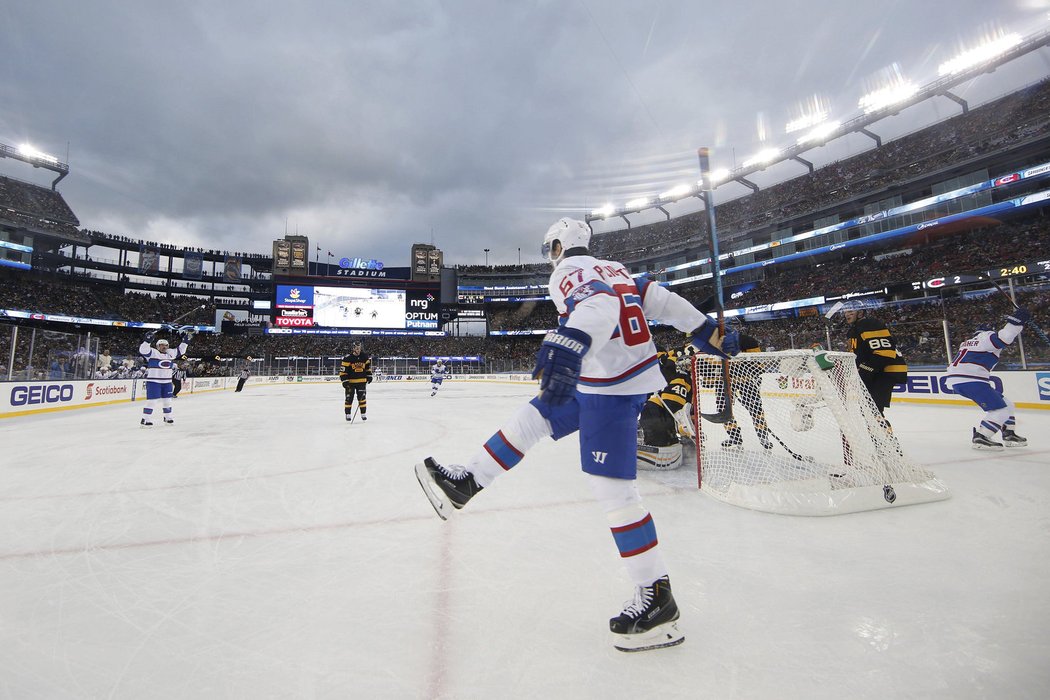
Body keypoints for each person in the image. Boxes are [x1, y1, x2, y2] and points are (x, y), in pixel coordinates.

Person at [415, 217, 739, 652]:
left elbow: (599, 309)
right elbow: (663, 302)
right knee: (536, 416)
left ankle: (657, 598)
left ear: (559, 245)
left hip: (611, 385)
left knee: (615, 493)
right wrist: (707, 332)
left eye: (551, 247)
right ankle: (468, 481)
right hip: (607, 376)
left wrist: (570, 341)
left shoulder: (568, 272)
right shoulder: (617, 268)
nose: (550, 255)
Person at [945, 308, 1030, 450]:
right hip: (971, 379)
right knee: (1000, 410)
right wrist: (1015, 322)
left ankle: (1009, 433)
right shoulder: (985, 337)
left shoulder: (967, 342)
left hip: (963, 379)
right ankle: (982, 436)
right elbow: (1005, 337)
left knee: (1007, 404)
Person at [843, 302, 908, 419]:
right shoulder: (854, 330)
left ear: (861, 313)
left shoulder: (870, 324)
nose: (847, 315)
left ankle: (884, 436)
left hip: (884, 371)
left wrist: (864, 369)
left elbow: (885, 353)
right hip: (874, 371)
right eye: (846, 312)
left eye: (851, 312)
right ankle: (877, 435)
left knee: (872, 410)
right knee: (869, 409)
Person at [637, 350, 694, 470]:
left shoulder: (683, 379)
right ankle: (658, 441)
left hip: (659, 409)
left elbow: (682, 405)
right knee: (659, 433)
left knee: (667, 436)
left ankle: (666, 440)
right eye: (689, 365)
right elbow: (672, 404)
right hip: (655, 409)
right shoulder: (681, 378)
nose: (691, 368)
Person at [139, 326, 192, 426]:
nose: (164, 347)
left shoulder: (170, 354)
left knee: (167, 401)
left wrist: (186, 341)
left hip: (167, 382)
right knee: (152, 401)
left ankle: (168, 417)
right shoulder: (152, 353)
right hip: (154, 382)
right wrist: (147, 341)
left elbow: (181, 350)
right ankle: (145, 419)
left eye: (166, 345)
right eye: (161, 345)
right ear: (158, 346)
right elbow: (143, 350)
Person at [339, 340, 373, 421]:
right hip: (350, 383)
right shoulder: (347, 358)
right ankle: (348, 414)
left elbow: (368, 368)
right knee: (349, 398)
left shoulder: (364, 356)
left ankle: (363, 413)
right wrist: (344, 381)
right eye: (357, 348)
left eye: (359, 348)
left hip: (362, 381)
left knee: (362, 398)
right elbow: (343, 371)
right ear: (353, 348)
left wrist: (369, 376)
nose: (358, 350)